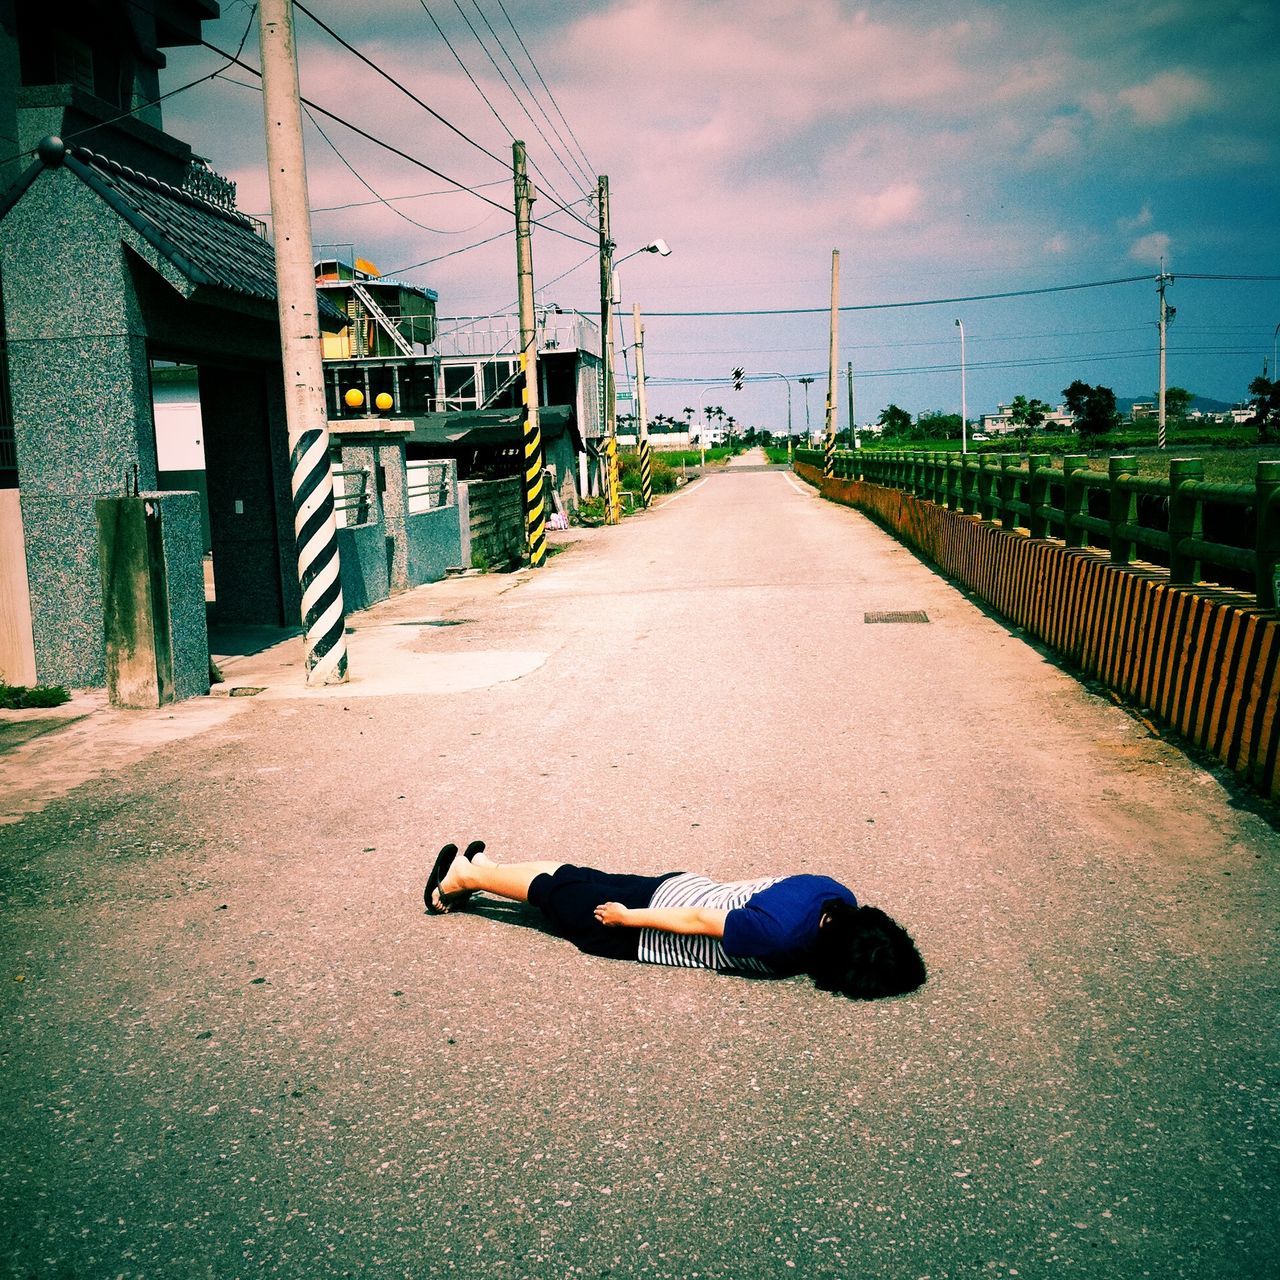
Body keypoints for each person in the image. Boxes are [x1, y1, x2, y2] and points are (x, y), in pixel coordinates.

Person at [424, 841, 926, 1001]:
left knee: (571, 878)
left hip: (678, 883)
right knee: (556, 894)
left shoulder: (837, 895)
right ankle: (462, 882)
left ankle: (486, 869)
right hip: (651, 923)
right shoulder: (777, 937)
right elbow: (699, 921)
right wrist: (626, 919)